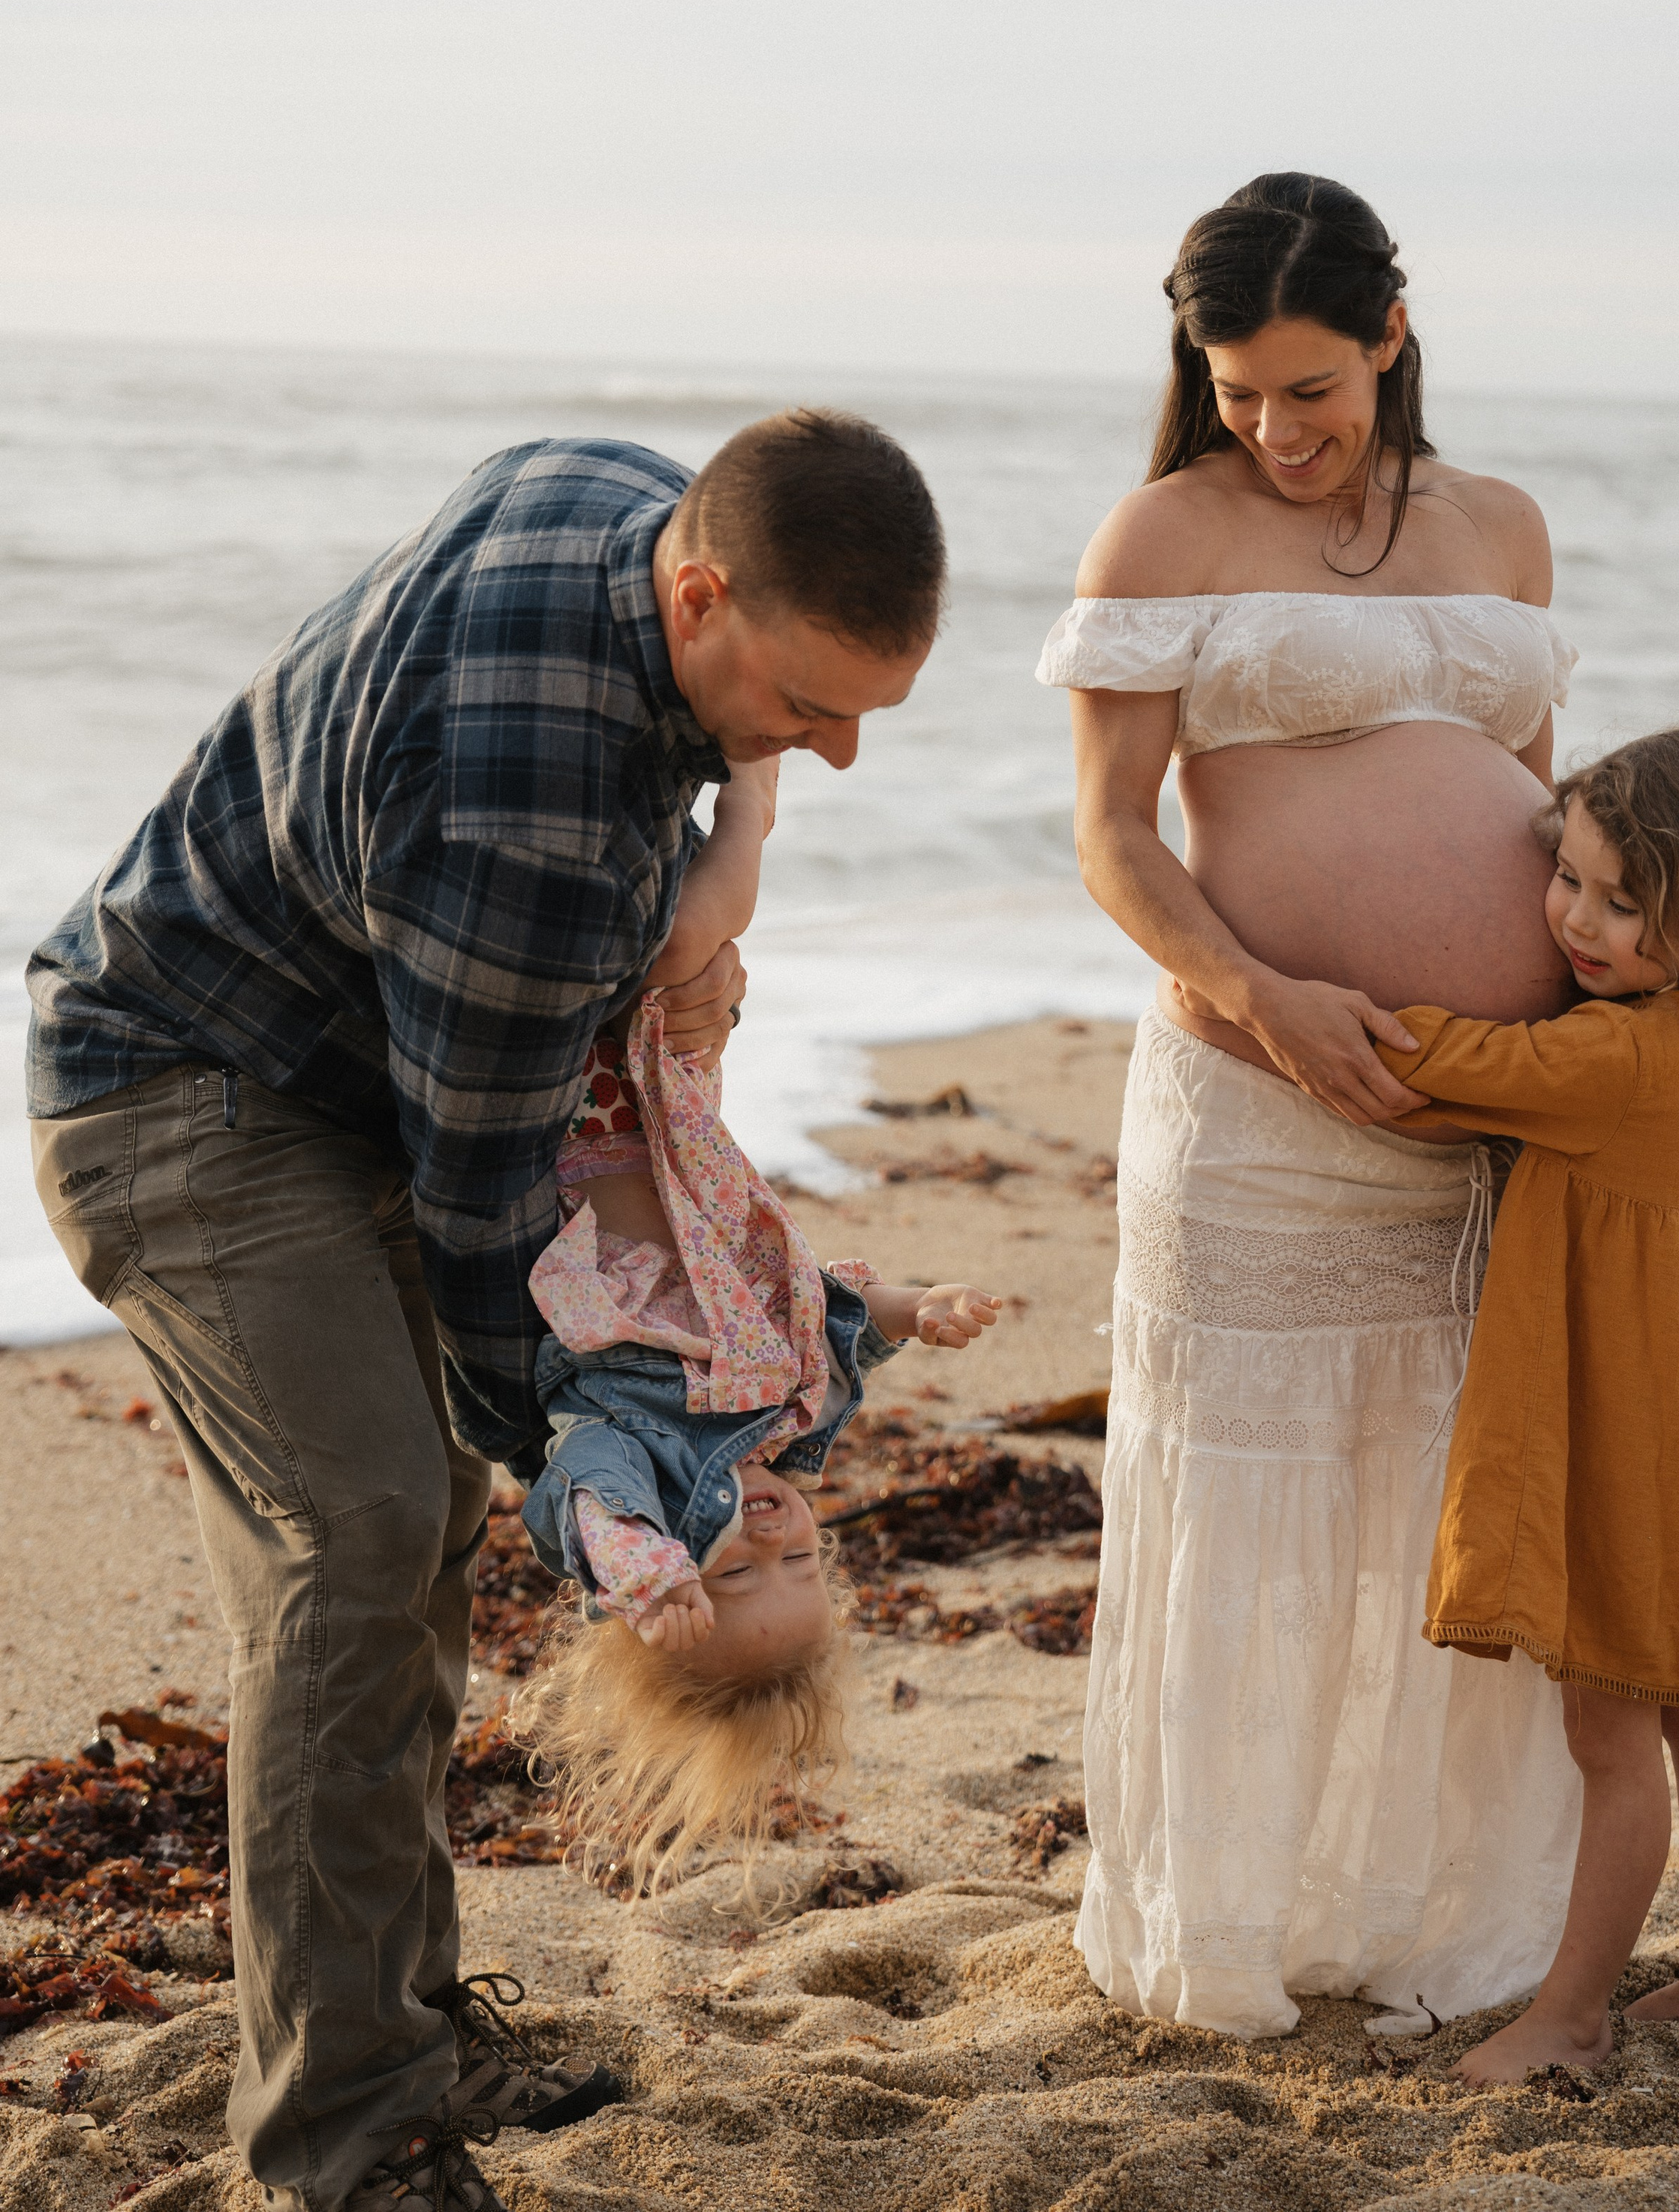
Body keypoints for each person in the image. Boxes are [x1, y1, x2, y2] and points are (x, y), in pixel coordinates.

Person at [26, 410, 945, 2212]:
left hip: (335, 1063)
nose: (827, 754)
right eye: (807, 704)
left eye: (865, 714)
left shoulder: (601, 490)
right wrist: (605, 1458)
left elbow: (537, 1052)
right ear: (696, 592)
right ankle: (342, 2143)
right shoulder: (521, 804)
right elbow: (483, 1209)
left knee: (407, 1526)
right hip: (185, 1094)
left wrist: (672, 953)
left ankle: (402, 2031)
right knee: (360, 1545)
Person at [1037, 172, 1584, 2039]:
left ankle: (1431, 1918)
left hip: (1479, 1121)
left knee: (1445, 1501)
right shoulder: (1161, 534)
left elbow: (1544, 815)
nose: (1275, 430)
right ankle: (1228, 1929)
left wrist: (1598, 1042)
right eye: (1238, 389)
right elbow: (1112, 840)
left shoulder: (1502, 528)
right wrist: (1262, 1002)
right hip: (1258, 1105)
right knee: (1254, 1506)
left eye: (1311, 390)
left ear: (1390, 342)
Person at [1357, 726, 1679, 2083]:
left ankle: (1566, 2018)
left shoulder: (1612, 1064)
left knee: (1612, 1733)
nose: (1578, 920)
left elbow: (1439, 1060)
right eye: (1569, 878)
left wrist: (1289, 994)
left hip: (1629, 1436)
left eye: (1626, 904)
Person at [506, 745, 1000, 1889]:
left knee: (639, 920)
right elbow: (831, 1319)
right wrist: (916, 1309)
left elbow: (588, 1503)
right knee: (693, 945)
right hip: (676, 1114)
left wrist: (642, 1571)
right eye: (805, 1569)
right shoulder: (789, 1431)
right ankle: (751, 794)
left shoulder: (628, 1467)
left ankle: (674, 785)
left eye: (736, 1576)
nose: (777, 1539)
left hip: (572, 1136)